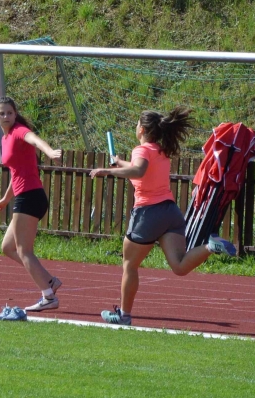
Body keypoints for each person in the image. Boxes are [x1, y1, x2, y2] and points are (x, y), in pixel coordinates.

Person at [89, 107, 236, 325]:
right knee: (179, 266)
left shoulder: (141, 150)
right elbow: (140, 168)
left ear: (143, 129)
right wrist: (119, 163)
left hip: (148, 214)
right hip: (170, 212)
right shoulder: (160, 150)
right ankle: (210, 246)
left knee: (129, 265)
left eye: (137, 123)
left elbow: (138, 171)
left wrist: (106, 171)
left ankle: (124, 316)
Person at [0, 96, 64, 312]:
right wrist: (6, 199)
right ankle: (49, 281)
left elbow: (35, 139)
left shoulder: (19, 131)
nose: (6, 116)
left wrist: (50, 152)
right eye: (2, 113)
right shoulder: (5, 139)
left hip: (30, 197)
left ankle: (48, 296)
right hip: (23, 195)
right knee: (7, 247)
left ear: (16, 114)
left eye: (10, 113)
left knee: (24, 251)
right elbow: (17, 173)